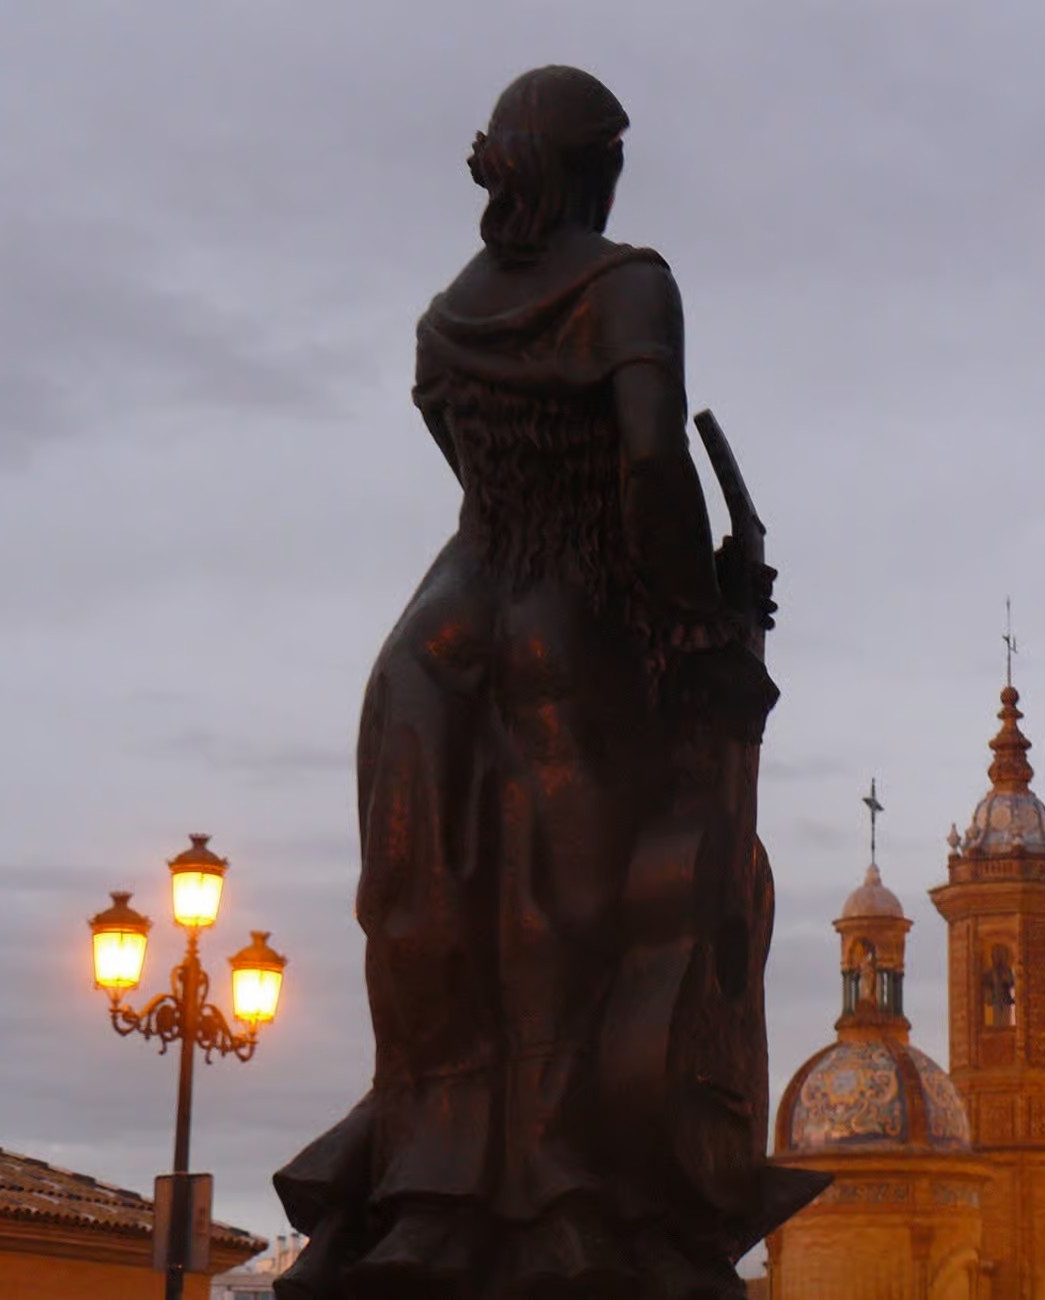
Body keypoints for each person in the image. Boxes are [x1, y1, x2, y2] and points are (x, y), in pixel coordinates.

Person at [271, 66, 797, 1300]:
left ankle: (425, 1196)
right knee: (563, 911)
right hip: (568, 616)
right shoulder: (628, 287)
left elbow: (470, 471)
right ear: (594, 169)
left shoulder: (443, 321)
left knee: (425, 909)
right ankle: (564, 1192)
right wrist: (697, 624)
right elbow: (652, 464)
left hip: (435, 631)